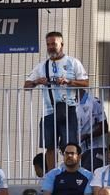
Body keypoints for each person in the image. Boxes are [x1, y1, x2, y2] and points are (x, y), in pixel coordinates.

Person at [25, 32, 90, 173]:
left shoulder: (73, 62)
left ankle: (72, 173)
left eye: (54, 44)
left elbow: (86, 83)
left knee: (70, 145)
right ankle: (52, 175)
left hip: (69, 109)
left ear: (62, 44)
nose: (51, 47)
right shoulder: (42, 66)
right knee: (49, 146)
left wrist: (68, 81)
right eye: (48, 44)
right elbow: (26, 85)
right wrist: (37, 81)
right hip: (49, 111)